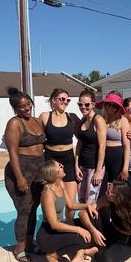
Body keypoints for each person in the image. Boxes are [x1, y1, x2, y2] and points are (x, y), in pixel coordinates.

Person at [4, 87, 46, 262]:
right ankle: (19, 247)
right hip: (20, 170)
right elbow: (12, 152)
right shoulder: (14, 123)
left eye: (28, 103)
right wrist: (19, 177)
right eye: (22, 106)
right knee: (24, 209)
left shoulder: (37, 121)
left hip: (38, 170)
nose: (26, 108)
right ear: (15, 108)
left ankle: (29, 243)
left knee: (34, 208)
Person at [36, 159, 98, 262]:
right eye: (59, 165)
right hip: (48, 235)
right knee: (83, 237)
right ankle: (52, 255)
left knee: (89, 229)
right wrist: (78, 229)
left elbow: (71, 204)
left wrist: (87, 206)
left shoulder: (60, 184)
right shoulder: (48, 194)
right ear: (54, 173)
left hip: (59, 229)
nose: (62, 165)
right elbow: (54, 224)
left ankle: (82, 252)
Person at [79, 180, 131, 262]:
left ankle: (94, 252)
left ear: (117, 196)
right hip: (110, 231)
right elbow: (82, 213)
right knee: (91, 214)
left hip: (124, 242)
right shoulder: (108, 199)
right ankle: (98, 243)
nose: (106, 193)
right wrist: (93, 231)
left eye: (108, 192)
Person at [39, 88, 80, 221]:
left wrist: (78, 163)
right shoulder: (45, 116)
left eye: (67, 100)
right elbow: (37, 139)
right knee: (51, 200)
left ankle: (69, 225)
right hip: (51, 160)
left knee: (71, 203)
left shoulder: (72, 117)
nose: (65, 102)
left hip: (68, 160)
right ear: (53, 100)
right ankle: (52, 228)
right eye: (62, 99)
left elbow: (85, 137)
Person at [95, 91, 130, 197]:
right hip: (101, 158)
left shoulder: (122, 120)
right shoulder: (100, 118)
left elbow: (127, 146)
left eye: (114, 106)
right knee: (101, 191)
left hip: (117, 159)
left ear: (118, 107)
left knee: (116, 192)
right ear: (105, 104)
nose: (111, 108)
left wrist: (125, 168)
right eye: (109, 104)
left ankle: (116, 213)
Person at [75, 90, 106, 204]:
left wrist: (98, 171)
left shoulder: (98, 120)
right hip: (83, 167)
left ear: (93, 104)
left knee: (91, 203)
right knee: (82, 201)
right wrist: (76, 165)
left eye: (87, 104)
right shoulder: (83, 120)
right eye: (80, 104)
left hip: (94, 167)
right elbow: (80, 143)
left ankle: (91, 222)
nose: (83, 107)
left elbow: (102, 147)